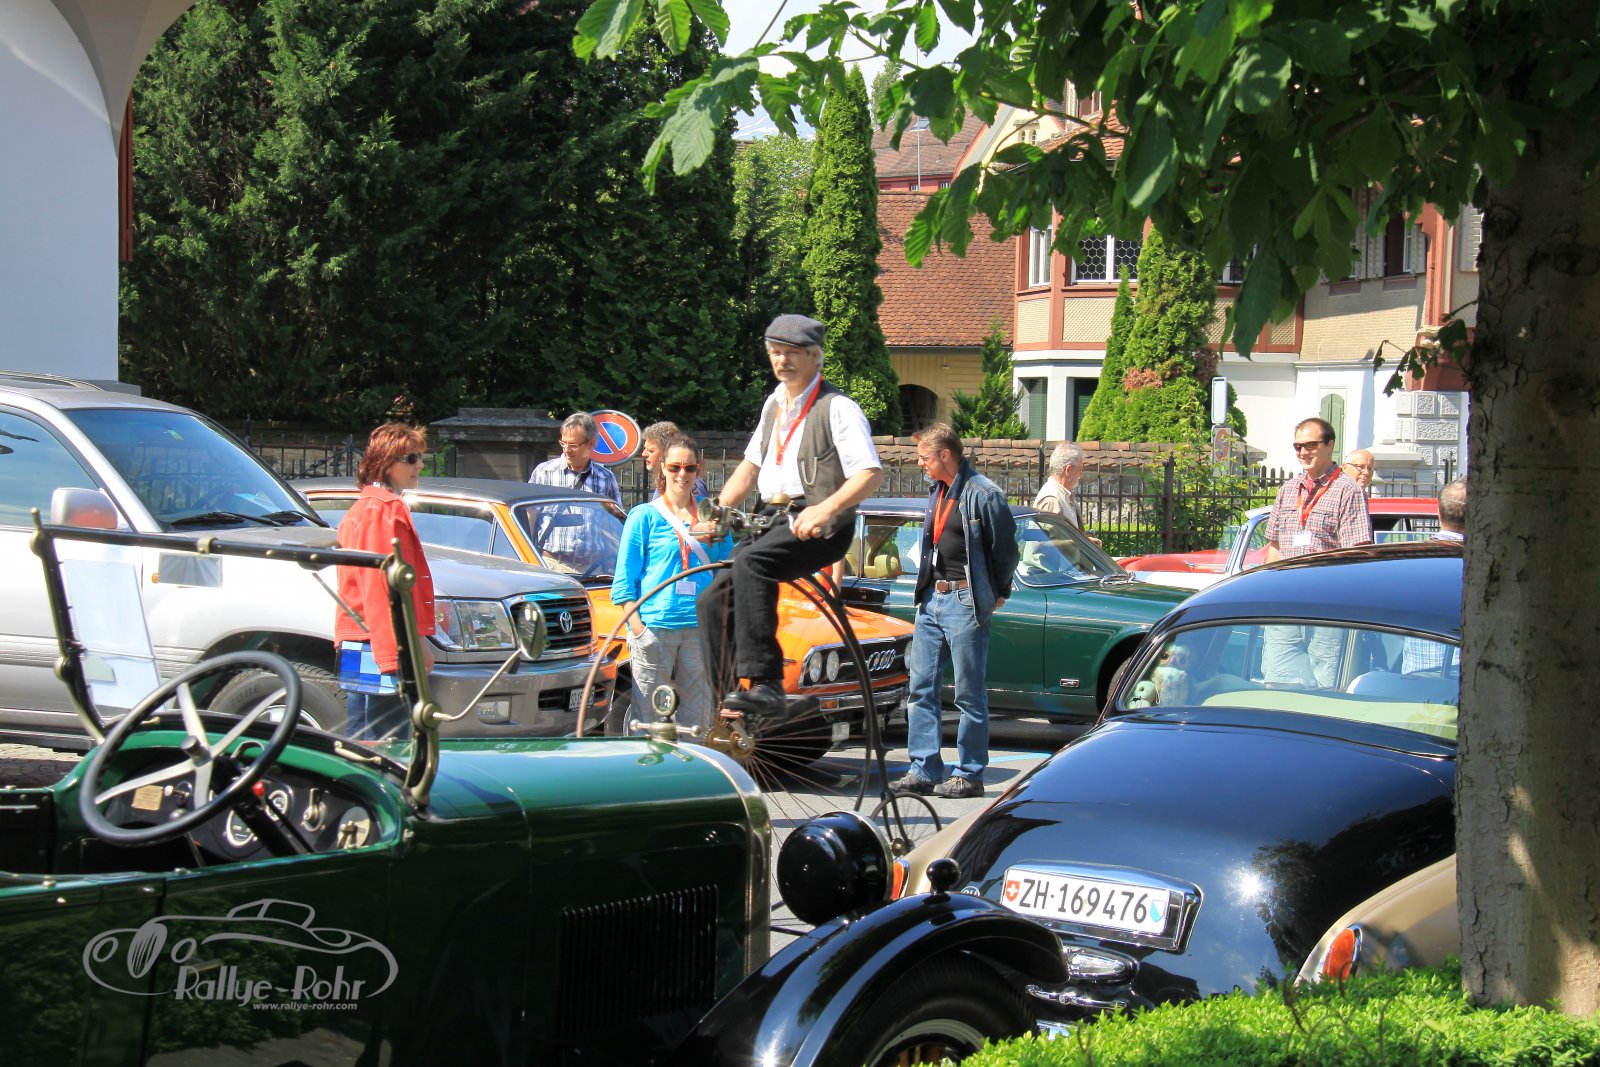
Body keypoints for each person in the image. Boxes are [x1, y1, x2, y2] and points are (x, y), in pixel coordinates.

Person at [698, 314, 884, 722]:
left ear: (815, 356)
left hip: (818, 522)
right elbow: (750, 467)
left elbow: (870, 474)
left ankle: (767, 684)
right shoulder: (774, 403)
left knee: (752, 564)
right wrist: (720, 512)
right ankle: (729, 699)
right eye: (775, 352)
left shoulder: (838, 408)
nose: (781, 361)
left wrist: (825, 508)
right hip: (771, 519)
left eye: (792, 353)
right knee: (712, 598)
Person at [890, 423, 1019, 800]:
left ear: (945, 455)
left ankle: (969, 774)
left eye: (924, 457)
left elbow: (1006, 551)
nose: (920, 464)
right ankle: (924, 768)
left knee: (968, 691)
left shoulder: (984, 493)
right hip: (932, 598)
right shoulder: (938, 489)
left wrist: (998, 591)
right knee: (920, 687)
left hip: (965, 599)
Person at [611, 435, 731, 735]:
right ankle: (648, 767)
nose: (682, 474)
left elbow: (727, 571)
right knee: (648, 719)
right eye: (675, 467)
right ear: (662, 468)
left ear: (698, 469)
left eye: (689, 468)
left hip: (699, 629)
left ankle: (691, 767)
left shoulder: (712, 517)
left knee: (698, 722)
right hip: (654, 626)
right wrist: (638, 629)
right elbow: (624, 580)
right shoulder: (644, 516)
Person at [333, 423, 436, 741]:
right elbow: (380, 586)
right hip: (379, 641)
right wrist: (400, 652)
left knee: (364, 738)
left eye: (420, 457)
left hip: (366, 638)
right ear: (386, 462)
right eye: (411, 458)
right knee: (387, 744)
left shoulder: (371, 507)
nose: (420, 465)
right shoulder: (381, 510)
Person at [1261, 418, 1371, 687]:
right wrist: (1268, 596)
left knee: (1325, 687)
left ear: (1330, 445)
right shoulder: (1288, 490)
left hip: (1326, 609)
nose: (1303, 452)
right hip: (1285, 607)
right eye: (1298, 446)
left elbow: (1356, 557)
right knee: (1278, 684)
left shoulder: (1348, 491)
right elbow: (1275, 547)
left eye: (1311, 445)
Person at [530, 412, 623, 506]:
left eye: (573, 445)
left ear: (591, 444)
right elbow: (530, 509)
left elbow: (616, 513)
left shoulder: (606, 477)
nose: (566, 450)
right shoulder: (544, 471)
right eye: (563, 443)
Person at [1032, 441, 1101, 546]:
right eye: (1080, 469)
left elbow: (1062, 537)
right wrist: (1082, 543)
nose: (1081, 474)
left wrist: (1084, 539)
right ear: (1068, 470)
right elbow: (1043, 545)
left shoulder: (1063, 495)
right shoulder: (1052, 499)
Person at [642, 420, 707, 498]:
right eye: (645, 449)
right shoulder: (665, 481)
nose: (643, 454)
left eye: (651, 451)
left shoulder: (689, 484)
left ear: (666, 452)